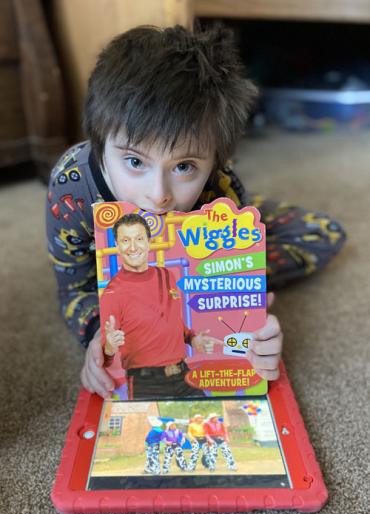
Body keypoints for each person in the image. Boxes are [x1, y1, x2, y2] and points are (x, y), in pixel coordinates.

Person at [45, 25, 346, 399]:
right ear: (99, 140)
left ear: (216, 161)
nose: (158, 196)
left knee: (325, 234)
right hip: (121, 269)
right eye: (135, 161)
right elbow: (72, 287)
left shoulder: (219, 187)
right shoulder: (70, 188)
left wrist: (248, 309)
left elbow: (222, 329)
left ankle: (255, 217)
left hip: (215, 216)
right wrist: (95, 335)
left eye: (184, 166)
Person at [101, 213, 222, 399]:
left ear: (148, 242)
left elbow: (173, 322)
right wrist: (109, 346)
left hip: (183, 374)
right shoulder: (111, 293)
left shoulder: (167, 276)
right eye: (125, 240)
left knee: (209, 423)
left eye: (139, 239)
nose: (133, 247)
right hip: (146, 384)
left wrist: (193, 339)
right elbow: (105, 356)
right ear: (117, 246)